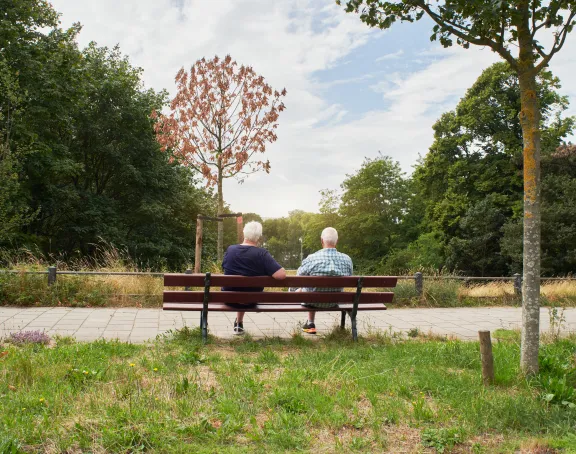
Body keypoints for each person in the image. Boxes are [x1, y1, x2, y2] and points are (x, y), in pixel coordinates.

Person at [222, 221, 286, 335]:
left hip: (229, 299)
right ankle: (239, 322)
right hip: (251, 300)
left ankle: (239, 323)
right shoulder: (262, 254)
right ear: (258, 237)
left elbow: (225, 267)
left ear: (244, 233)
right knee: (245, 291)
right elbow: (281, 275)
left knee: (239, 289)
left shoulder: (231, 250)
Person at [295, 227, 353, 334]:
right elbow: (350, 276)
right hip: (334, 301)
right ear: (337, 241)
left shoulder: (312, 258)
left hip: (313, 301)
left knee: (304, 289)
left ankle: (311, 323)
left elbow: (298, 277)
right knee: (310, 289)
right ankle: (310, 323)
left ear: (322, 241)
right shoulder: (347, 259)